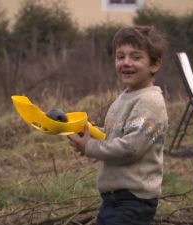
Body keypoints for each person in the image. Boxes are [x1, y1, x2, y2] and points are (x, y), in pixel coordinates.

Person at [68, 26, 168, 225]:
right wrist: (93, 134)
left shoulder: (150, 102)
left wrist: (90, 147)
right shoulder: (126, 97)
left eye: (136, 57)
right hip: (113, 198)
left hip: (133, 200)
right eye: (120, 56)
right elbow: (117, 135)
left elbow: (130, 148)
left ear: (154, 64)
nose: (126, 63)